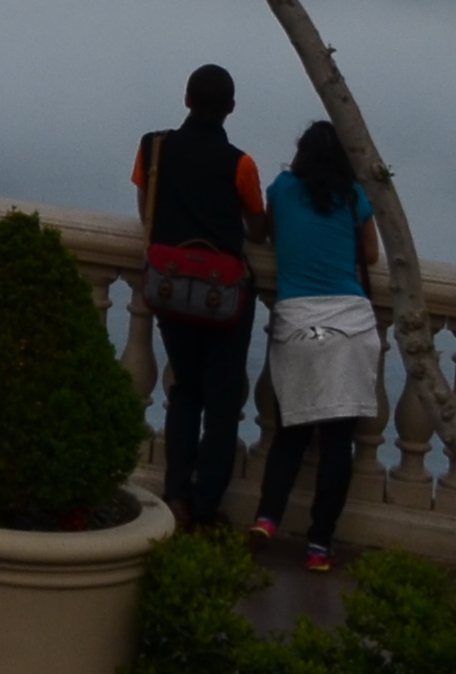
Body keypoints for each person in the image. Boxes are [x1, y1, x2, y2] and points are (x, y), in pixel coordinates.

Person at [131, 64, 267, 530]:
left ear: (186, 100)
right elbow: (256, 226)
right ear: (230, 108)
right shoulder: (242, 164)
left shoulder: (154, 147)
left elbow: (144, 206)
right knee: (223, 402)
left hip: (169, 288)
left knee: (184, 390)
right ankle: (207, 506)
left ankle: (176, 496)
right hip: (224, 298)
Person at [253, 120, 389, 571]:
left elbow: (273, 234)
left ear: (301, 153)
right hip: (348, 325)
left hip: (298, 322)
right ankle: (319, 545)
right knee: (336, 442)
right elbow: (370, 256)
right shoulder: (354, 198)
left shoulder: (282, 189)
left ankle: (267, 518)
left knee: (290, 433)